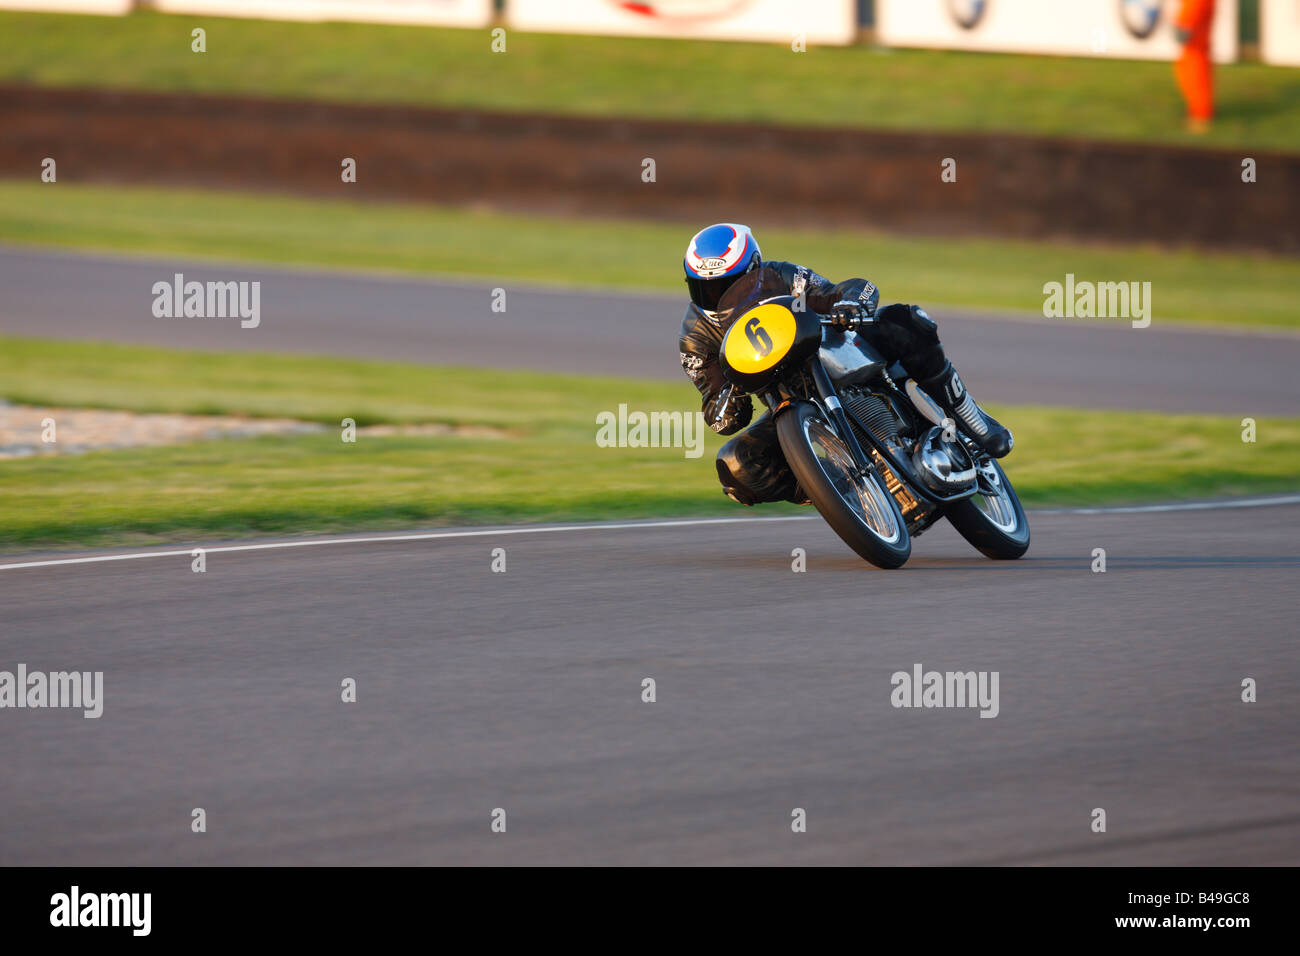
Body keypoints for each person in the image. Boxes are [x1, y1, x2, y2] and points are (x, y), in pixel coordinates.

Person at [678, 223, 1011, 506]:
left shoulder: (780, 277)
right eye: (704, 289)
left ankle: (969, 415)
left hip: (828, 350)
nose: (718, 296)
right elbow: (716, 410)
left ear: (754, 270)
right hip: (788, 401)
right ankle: (848, 495)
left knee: (906, 320)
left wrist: (849, 305)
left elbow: (843, 290)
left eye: (728, 285)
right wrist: (727, 401)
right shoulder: (695, 338)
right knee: (738, 466)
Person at [1174, 0, 1217, 133]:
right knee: (1192, 63)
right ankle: (1198, 112)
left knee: (1195, 66)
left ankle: (1200, 115)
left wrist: (1185, 22)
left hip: (1193, 15)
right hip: (1193, 16)